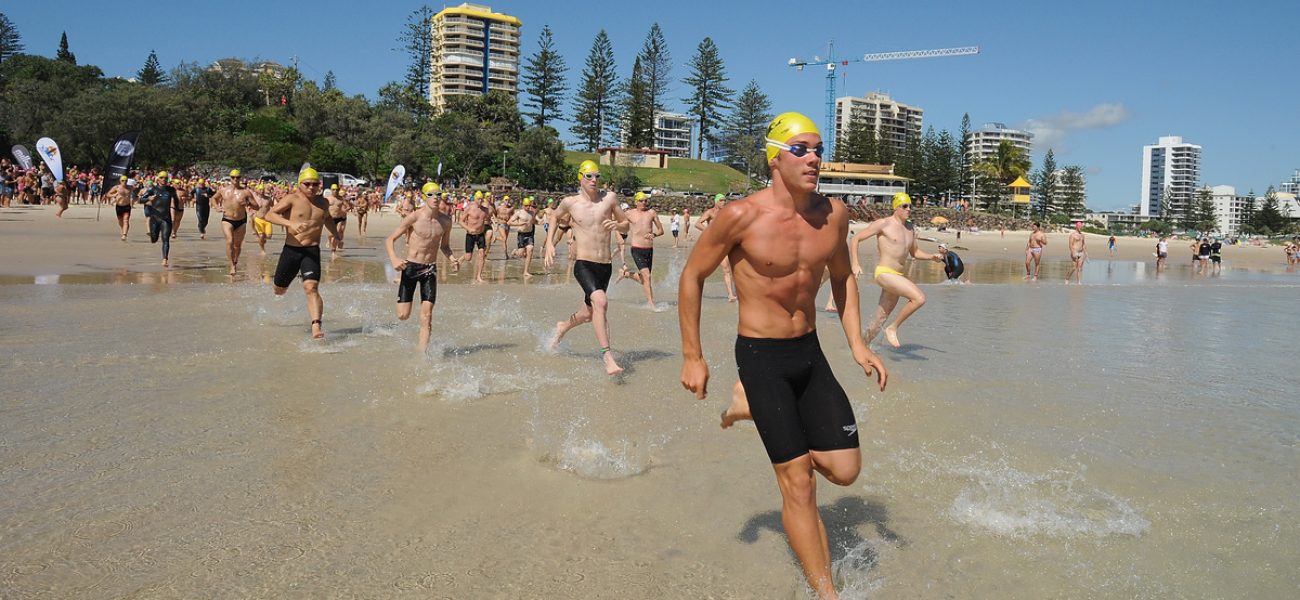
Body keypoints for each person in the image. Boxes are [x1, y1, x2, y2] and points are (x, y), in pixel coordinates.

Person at [679, 112, 887, 600]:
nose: (815, 157)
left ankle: (747, 404)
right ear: (775, 157)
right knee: (798, 483)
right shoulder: (740, 216)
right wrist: (693, 356)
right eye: (802, 149)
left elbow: (842, 278)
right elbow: (692, 276)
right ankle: (826, 592)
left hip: (809, 352)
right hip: (761, 356)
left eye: (818, 149)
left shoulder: (834, 215)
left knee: (845, 470)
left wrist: (858, 345)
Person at [543, 160, 630, 375]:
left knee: (589, 313)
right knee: (601, 301)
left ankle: (563, 326)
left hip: (605, 265)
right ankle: (608, 357)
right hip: (584, 263)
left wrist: (618, 225)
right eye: (589, 176)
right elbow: (554, 216)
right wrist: (548, 244)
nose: (594, 180)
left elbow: (626, 223)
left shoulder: (609, 199)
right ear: (580, 177)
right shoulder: (570, 203)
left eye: (597, 176)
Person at [849, 192, 944, 348]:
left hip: (897, 276)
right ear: (896, 208)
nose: (909, 209)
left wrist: (931, 257)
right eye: (904, 206)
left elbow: (915, 253)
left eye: (910, 206)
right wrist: (855, 263)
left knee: (877, 322)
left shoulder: (910, 228)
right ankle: (892, 329)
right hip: (884, 273)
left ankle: (859, 349)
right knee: (919, 298)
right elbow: (855, 238)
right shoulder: (884, 224)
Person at [263, 168, 339, 339]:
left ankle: (316, 325)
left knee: (311, 287)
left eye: (315, 184)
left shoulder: (323, 202)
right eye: (308, 184)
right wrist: (290, 224)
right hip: (291, 250)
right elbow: (269, 214)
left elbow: (327, 218)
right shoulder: (292, 199)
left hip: (311, 251)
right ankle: (282, 295)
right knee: (279, 290)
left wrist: (336, 233)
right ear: (300, 184)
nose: (312, 187)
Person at [386, 182, 455, 352]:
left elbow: (444, 246)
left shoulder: (446, 222)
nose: (436, 198)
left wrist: (452, 259)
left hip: (429, 269)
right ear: (424, 197)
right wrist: (395, 259)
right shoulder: (415, 217)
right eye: (431, 195)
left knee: (427, 316)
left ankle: (421, 354)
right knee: (403, 315)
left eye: (438, 194)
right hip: (411, 268)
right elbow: (390, 240)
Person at [617, 191, 664, 308]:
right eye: (641, 200)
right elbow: (619, 224)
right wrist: (619, 236)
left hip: (649, 249)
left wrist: (654, 234)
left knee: (645, 279)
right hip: (637, 248)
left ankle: (626, 274)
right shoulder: (629, 213)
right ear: (636, 202)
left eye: (645, 200)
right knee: (647, 276)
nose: (644, 202)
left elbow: (661, 230)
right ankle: (651, 303)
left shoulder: (651, 213)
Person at [214, 170, 260, 276]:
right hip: (227, 220)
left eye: (238, 177)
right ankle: (231, 265)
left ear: (240, 178)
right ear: (230, 178)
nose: (235, 179)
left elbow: (256, 206)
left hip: (241, 221)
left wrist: (247, 203)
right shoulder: (223, 190)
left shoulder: (246, 192)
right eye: (233, 177)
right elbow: (214, 198)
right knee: (230, 241)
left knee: (237, 246)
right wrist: (217, 207)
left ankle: (235, 260)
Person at [695, 194, 737, 301]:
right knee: (703, 269)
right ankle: (695, 290)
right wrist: (709, 231)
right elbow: (698, 223)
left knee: (726, 269)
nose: (724, 202)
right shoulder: (710, 212)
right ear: (716, 202)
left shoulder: (726, 213)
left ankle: (730, 294)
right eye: (721, 200)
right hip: (712, 244)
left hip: (724, 244)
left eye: (724, 200)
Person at [137, 171, 178, 266]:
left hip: (166, 219)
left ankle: (165, 259)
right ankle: (153, 236)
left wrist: (176, 210)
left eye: (165, 178)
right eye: (162, 178)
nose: (164, 180)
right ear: (158, 179)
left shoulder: (171, 190)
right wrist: (148, 199)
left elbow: (176, 200)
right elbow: (140, 200)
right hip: (155, 218)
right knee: (154, 239)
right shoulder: (152, 189)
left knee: (165, 239)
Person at [457, 188, 491, 283]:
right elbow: (460, 221)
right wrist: (468, 228)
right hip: (470, 235)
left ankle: (479, 276)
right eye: (478, 199)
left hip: (480, 235)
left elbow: (489, 219)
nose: (480, 201)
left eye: (481, 199)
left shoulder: (485, 210)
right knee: (468, 257)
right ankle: (459, 261)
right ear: (475, 199)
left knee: (481, 254)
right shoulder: (469, 208)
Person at [508, 196, 539, 278]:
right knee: (521, 253)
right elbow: (509, 222)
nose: (528, 207)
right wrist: (519, 224)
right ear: (522, 205)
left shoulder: (532, 213)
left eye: (529, 205)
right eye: (526, 205)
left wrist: (537, 221)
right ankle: (515, 252)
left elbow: (534, 222)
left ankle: (526, 271)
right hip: (521, 235)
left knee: (530, 250)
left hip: (529, 234)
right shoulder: (519, 213)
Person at [107, 176, 133, 240]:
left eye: (126, 181)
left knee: (126, 220)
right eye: (123, 180)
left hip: (127, 206)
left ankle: (124, 234)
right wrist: (114, 195)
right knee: (120, 221)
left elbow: (138, 189)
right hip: (119, 206)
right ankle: (123, 229)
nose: (124, 182)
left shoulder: (130, 187)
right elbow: (108, 194)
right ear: (120, 181)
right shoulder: (117, 187)